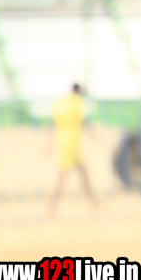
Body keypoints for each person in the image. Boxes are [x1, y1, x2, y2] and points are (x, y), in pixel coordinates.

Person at [47, 83, 96, 215]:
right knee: (64, 176)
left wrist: (48, 143)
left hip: (64, 142)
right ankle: (52, 203)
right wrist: (92, 135)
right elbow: (82, 121)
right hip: (72, 144)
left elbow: (54, 122)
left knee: (83, 172)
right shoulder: (77, 103)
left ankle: (93, 202)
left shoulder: (62, 103)